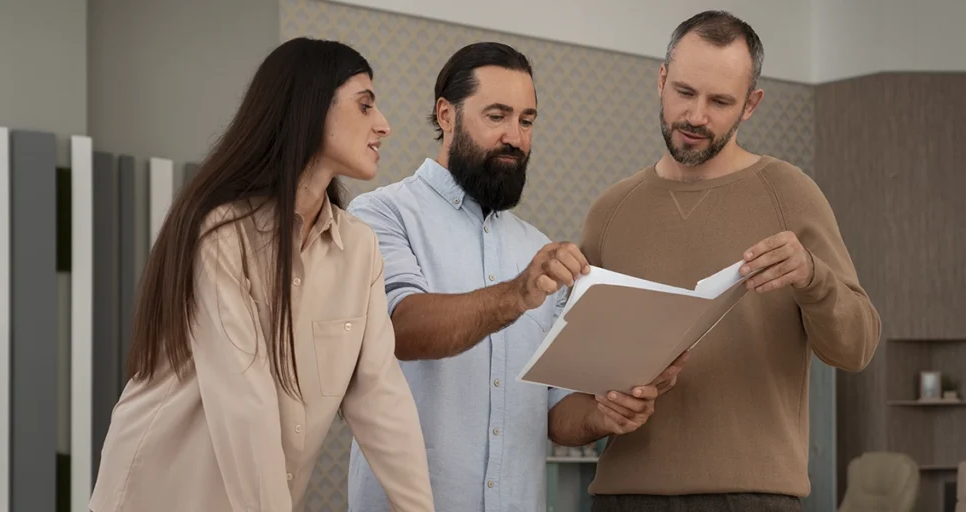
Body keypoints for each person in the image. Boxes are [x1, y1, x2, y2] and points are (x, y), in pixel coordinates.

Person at [548, 10, 882, 512]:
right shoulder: (609, 212)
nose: (696, 116)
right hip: (623, 497)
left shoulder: (791, 194)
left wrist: (814, 277)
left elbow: (857, 347)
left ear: (751, 105)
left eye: (720, 101)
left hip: (755, 499)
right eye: (684, 92)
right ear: (661, 81)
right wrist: (604, 410)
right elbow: (565, 399)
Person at [88, 38, 434, 512]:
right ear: (310, 109)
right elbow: (243, 401)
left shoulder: (360, 248)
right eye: (365, 105)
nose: (384, 125)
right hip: (158, 494)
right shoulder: (221, 234)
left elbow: (380, 395)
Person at [345, 42, 686, 512]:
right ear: (446, 115)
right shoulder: (379, 214)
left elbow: (556, 414)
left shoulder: (535, 248)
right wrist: (517, 294)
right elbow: (400, 330)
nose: (515, 137)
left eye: (526, 121)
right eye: (497, 116)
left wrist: (607, 412)